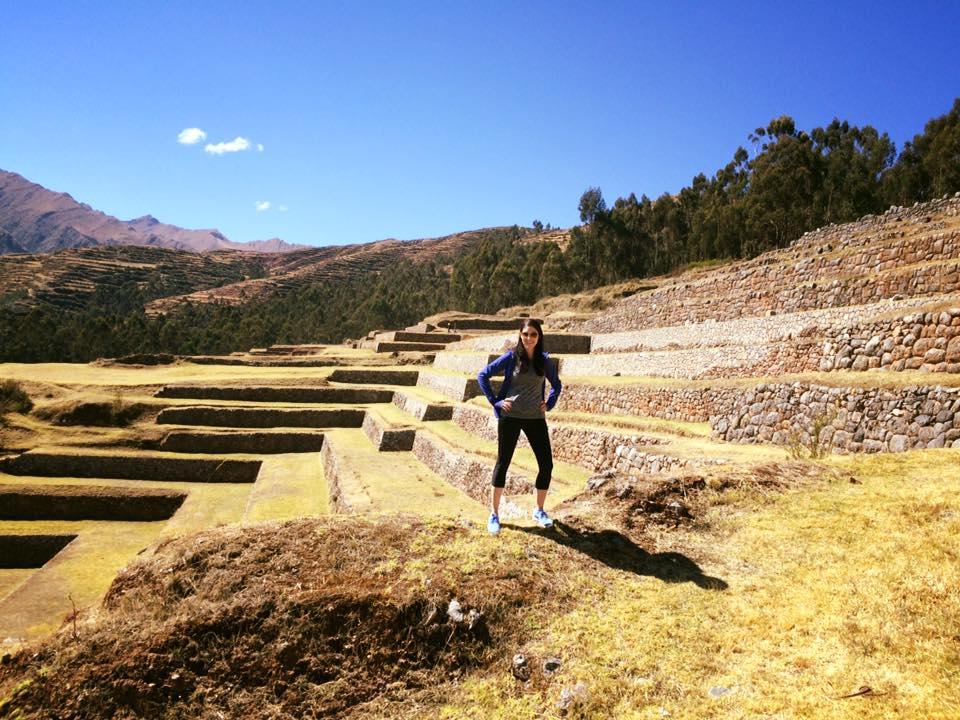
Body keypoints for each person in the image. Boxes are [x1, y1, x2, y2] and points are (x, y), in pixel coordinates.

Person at [477, 318, 562, 534]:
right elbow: (483, 375)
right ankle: (494, 514)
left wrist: (549, 403)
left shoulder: (544, 361)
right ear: (520, 335)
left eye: (533, 334)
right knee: (502, 463)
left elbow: (556, 384)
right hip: (510, 417)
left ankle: (539, 510)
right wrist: (495, 401)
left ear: (539, 337)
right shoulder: (510, 357)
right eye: (525, 334)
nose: (529, 338)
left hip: (535, 418)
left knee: (546, 465)